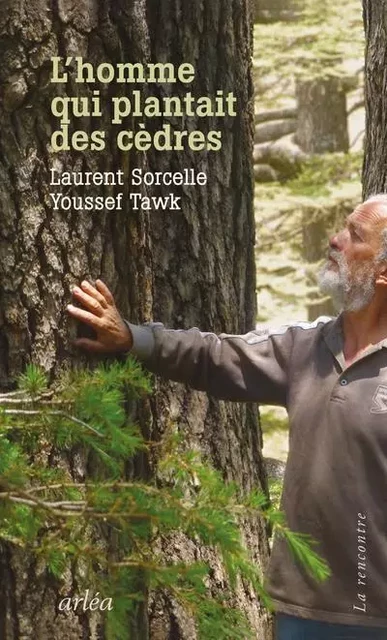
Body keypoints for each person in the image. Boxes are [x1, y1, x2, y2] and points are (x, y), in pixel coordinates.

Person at [66, 195, 387, 639]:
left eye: (355, 236)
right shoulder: (306, 348)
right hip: (298, 609)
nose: (335, 240)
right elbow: (216, 355)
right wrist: (132, 338)